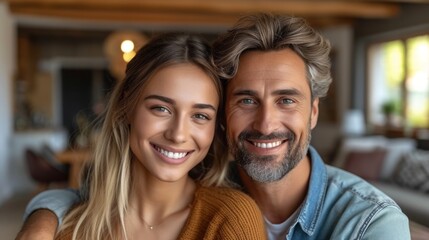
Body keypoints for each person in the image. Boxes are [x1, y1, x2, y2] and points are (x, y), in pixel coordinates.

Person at [17, 13, 411, 240]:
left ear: (313, 113)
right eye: (246, 100)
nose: (266, 122)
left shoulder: (367, 223)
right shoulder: (197, 171)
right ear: (225, 117)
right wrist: (42, 219)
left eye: (287, 100)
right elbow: (89, 196)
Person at [17, 33, 267, 240]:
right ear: (127, 107)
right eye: (161, 109)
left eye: (200, 116)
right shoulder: (70, 227)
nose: (178, 134)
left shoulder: (230, 219)